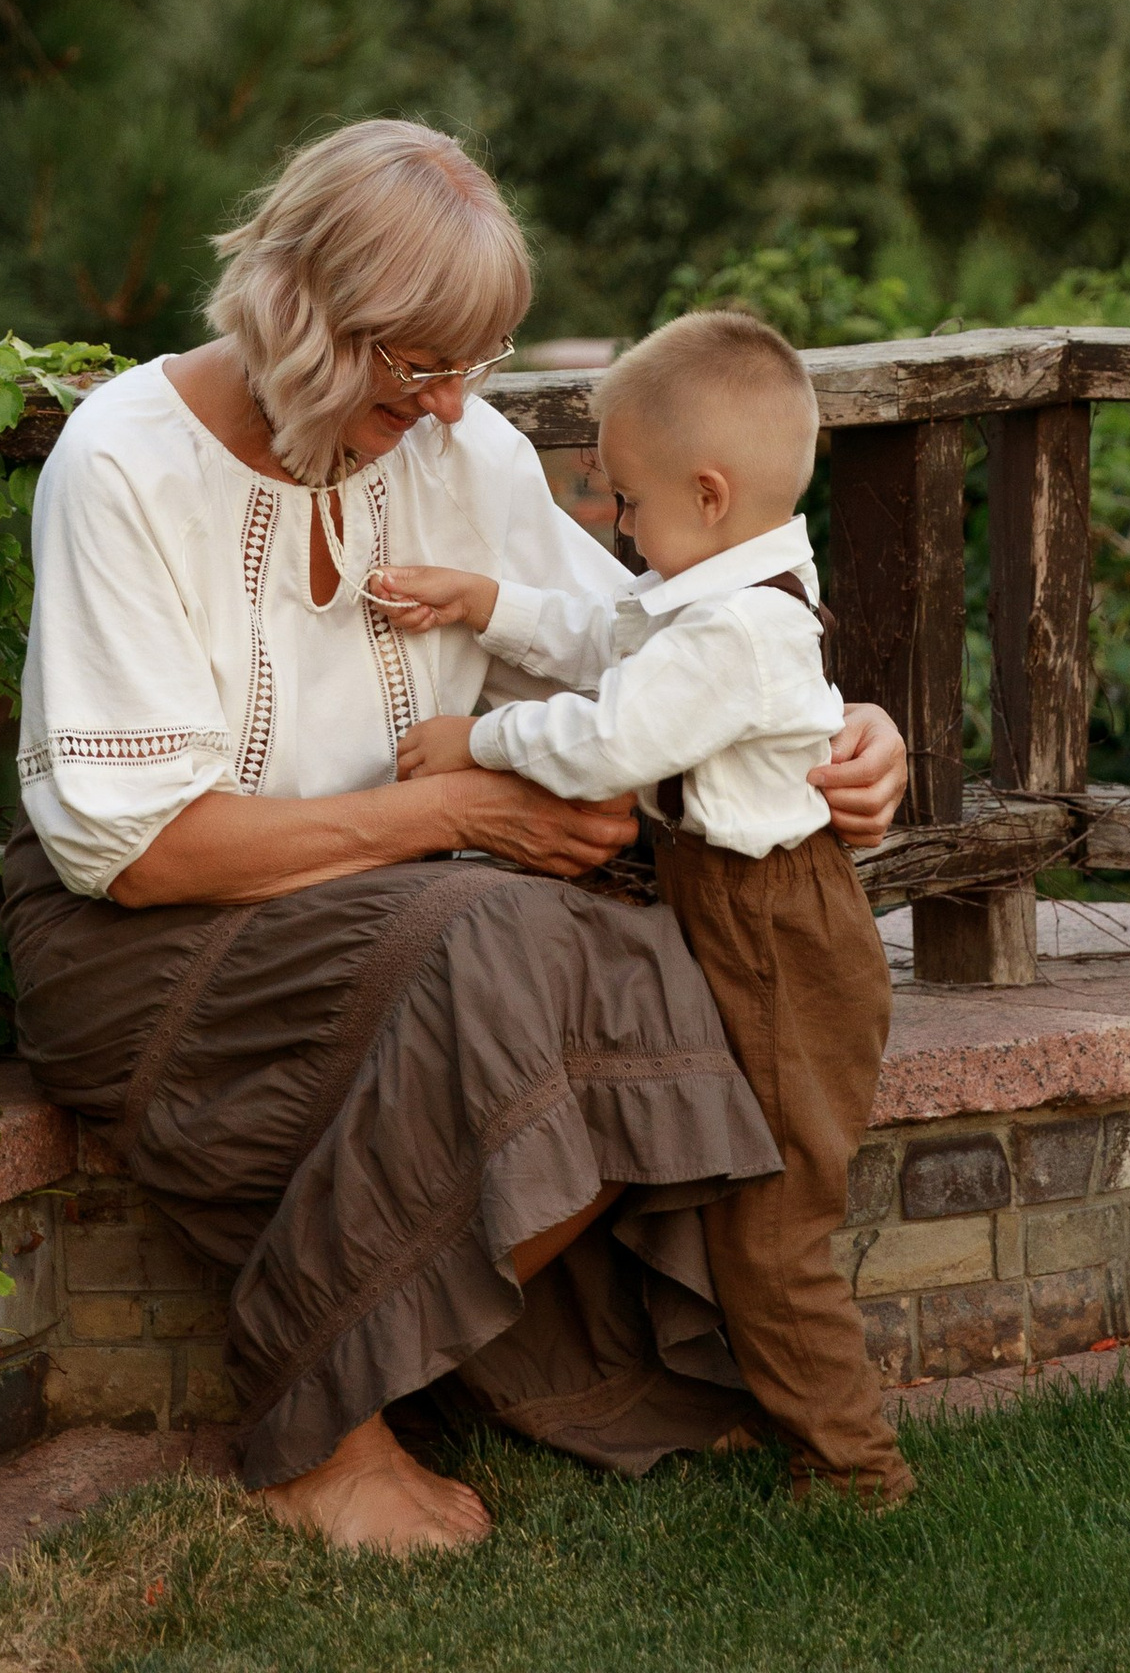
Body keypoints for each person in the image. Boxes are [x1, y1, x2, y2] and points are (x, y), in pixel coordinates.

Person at [0, 120, 911, 1555]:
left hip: (402, 916)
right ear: (303, 315)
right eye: (413, 367)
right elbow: (140, 852)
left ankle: (544, 1352)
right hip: (145, 943)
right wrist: (460, 811)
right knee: (505, 934)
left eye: (465, 369)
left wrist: (843, 735)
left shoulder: (456, 447)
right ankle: (320, 1428)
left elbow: (646, 651)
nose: (443, 409)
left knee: (631, 943)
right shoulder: (123, 462)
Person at [378, 307, 916, 1508]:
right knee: (735, 1184)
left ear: (709, 494)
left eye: (625, 502)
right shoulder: (714, 587)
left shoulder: (738, 630)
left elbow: (611, 735)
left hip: (776, 934)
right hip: (737, 916)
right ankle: (742, 1406)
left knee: (775, 1224)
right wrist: (485, 601)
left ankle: (853, 1470)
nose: (614, 525)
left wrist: (480, 740)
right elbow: (601, 631)